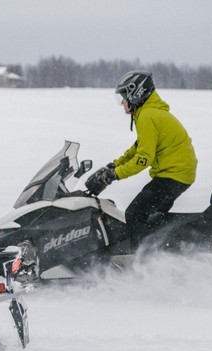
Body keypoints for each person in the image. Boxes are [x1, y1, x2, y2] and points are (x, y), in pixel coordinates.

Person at [85, 71, 198, 248]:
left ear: (135, 93)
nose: (122, 103)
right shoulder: (149, 112)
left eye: (123, 97)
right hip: (178, 173)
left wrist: (114, 175)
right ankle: (163, 250)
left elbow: (143, 159)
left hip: (174, 175)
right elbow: (138, 148)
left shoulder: (147, 116)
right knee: (153, 219)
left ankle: (144, 261)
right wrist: (114, 165)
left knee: (134, 214)